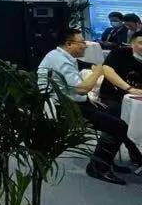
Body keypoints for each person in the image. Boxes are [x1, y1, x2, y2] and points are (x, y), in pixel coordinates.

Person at [38, 27, 135, 185]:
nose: (85, 46)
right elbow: (82, 89)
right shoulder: (60, 60)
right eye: (82, 42)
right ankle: (98, 167)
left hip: (75, 101)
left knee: (117, 113)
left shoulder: (61, 56)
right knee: (119, 126)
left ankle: (105, 160)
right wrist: (98, 71)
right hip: (65, 107)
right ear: (69, 44)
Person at [97, 29, 142, 174]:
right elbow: (107, 70)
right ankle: (99, 165)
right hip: (112, 96)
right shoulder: (120, 53)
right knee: (119, 121)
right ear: (132, 43)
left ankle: (137, 154)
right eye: (140, 43)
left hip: (136, 100)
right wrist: (129, 88)